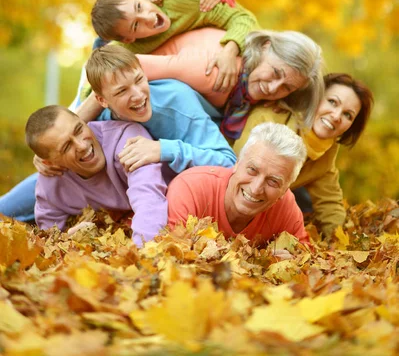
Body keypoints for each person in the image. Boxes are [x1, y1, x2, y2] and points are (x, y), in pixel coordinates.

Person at [0, 46, 236, 221]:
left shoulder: (177, 103)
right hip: (117, 188)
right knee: (8, 208)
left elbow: (228, 162)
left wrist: (163, 149)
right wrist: (44, 158)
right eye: (122, 90)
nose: (138, 95)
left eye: (139, 81)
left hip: (180, 181)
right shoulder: (100, 116)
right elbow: (60, 134)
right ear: (101, 100)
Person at [234, 73, 374, 238]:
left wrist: (340, 243)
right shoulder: (270, 118)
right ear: (316, 97)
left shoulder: (327, 151)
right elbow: (235, 167)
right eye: (332, 102)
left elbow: (329, 202)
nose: (336, 116)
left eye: (347, 115)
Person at [25, 105, 175, 246]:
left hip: (171, 201)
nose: (82, 146)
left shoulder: (126, 140)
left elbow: (149, 201)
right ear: (50, 163)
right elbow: (50, 239)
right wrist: (69, 238)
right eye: (66, 146)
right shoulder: (51, 181)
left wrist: (141, 256)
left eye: (78, 130)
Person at [134, 27, 324, 131]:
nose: (273, 89)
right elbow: (124, 67)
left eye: (286, 88)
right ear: (265, 47)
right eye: (275, 73)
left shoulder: (247, 88)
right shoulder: (215, 71)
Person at [91, 0, 259, 93]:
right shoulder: (127, 48)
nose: (149, 18)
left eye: (139, 7)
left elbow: (244, 18)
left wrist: (229, 52)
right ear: (129, 39)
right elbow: (92, 87)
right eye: (136, 25)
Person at [168, 122, 309, 245]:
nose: (255, 189)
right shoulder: (190, 189)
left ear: (284, 191)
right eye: (252, 170)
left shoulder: (286, 207)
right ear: (237, 164)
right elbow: (172, 254)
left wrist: (287, 259)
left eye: (273, 181)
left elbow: (304, 256)